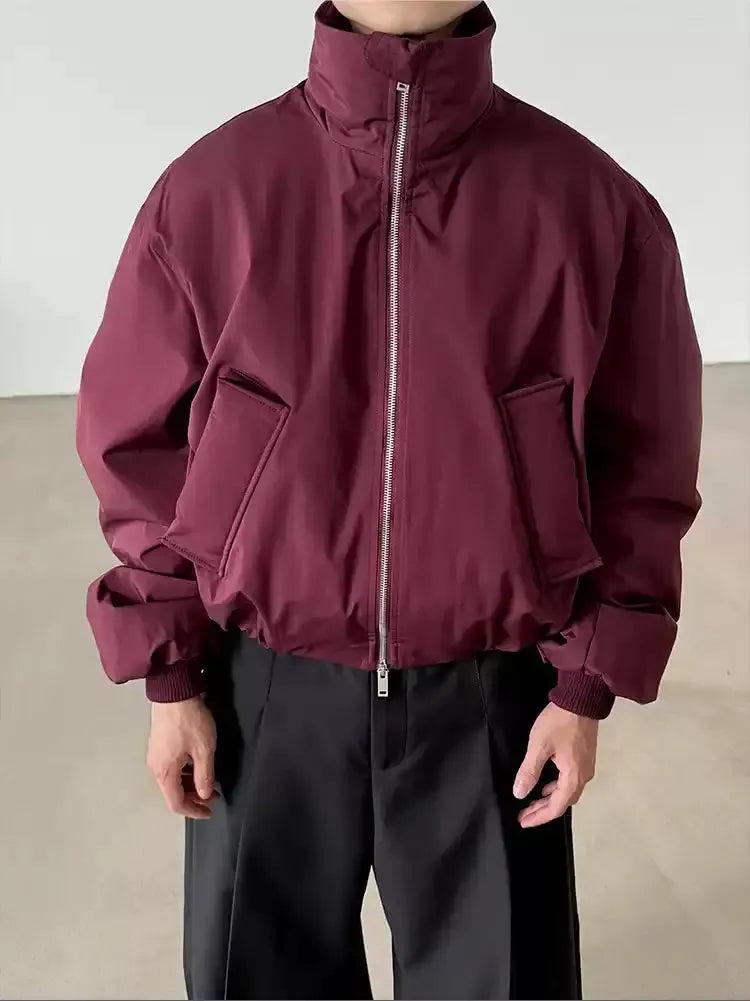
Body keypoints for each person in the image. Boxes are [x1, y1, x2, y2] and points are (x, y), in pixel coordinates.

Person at [75, 1, 702, 998]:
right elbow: (137, 442)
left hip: (494, 697)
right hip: (264, 691)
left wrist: (585, 682)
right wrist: (172, 673)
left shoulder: (592, 204)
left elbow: (643, 464)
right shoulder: (213, 191)